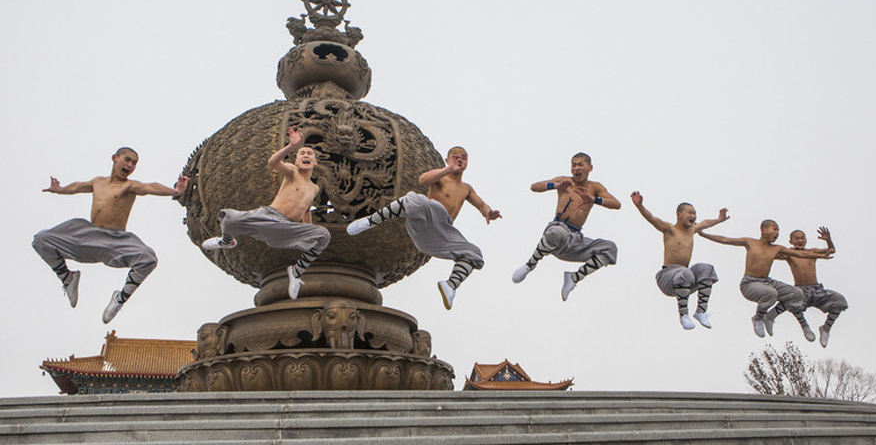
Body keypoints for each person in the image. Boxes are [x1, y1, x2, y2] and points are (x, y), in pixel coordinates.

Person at [33, 147, 189, 323]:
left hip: (116, 240)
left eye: (134, 163)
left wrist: (175, 191)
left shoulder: (130, 186)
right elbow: (77, 186)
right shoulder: (98, 182)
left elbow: (149, 187)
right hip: (89, 236)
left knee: (148, 258)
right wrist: (60, 190)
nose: (130, 165)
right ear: (115, 158)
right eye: (127, 160)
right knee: (41, 239)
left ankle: (119, 299)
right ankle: (68, 279)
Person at [347, 146, 501, 310]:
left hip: (440, 234)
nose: (460, 159)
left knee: (474, 254)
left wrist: (488, 213)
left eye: (463, 157)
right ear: (447, 160)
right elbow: (423, 180)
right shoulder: (441, 177)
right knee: (414, 200)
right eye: (455, 156)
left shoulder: (466, 188)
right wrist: (448, 169)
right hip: (428, 216)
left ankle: (450, 285)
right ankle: (370, 221)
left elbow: (481, 205)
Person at [202, 126, 331, 300]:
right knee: (228, 217)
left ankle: (296, 271)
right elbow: (273, 163)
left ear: (315, 162)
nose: (306, 155)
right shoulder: (292, 172)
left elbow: (306, 210)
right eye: (302, 153)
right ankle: (226, 241)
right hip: (268, 216)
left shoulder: (314, 188)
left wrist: (306, 233)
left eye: (309, 154)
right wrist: (291, 146)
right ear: (296, 161)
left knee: (323, 235)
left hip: (285, 228)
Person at [512, 152, 620, 301]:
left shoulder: (595, 187)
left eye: (580, 165)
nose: (576, 168)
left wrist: (593, 199)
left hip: (575, 240)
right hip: (558, 230)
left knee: (610, 248)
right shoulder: (564, 181)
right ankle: (530, 264)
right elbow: (534, 186)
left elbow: (616, 204)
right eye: (573, 165)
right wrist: (555, 185)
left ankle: (574, 278)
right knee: (556, 232)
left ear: (590, 167)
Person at [698, 220, 833, 339]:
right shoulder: (750, 242)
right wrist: (703, 234)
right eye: (774, 229)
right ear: (763, 230)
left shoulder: (776, 248)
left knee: (797, 293)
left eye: (778, 230)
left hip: (767, 282)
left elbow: (801, 253)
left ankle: (770, 317)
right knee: (771, 293)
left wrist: (822, 256)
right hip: (750, 283)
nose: (777, 232)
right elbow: (725, 240)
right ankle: (758, 318)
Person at [631, 192, 729, 330]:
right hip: (667, 278)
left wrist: (719, 219)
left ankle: (701, 311)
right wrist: (640, 206)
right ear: (679, 215)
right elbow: (652, 219)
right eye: (690, 213)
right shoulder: (670, 229)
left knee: (707, 268)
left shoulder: (692, 230)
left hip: (684, 280)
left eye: (695, 213)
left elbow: (705, 223)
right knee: (685, 272)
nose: (693, 216)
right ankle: (684, 315)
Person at [763, 227, 848, 348]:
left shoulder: (811, 252)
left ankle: (825, 328)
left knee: (840, 301)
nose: (800, 240)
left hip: (817, 289)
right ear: (791, 241)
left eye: (802, 238)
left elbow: (831, 250)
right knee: (791, 300)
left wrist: (828, 240)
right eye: (797, 238)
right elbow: (771, 254)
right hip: (801, 290)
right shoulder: (790, 254)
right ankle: (804, 326)